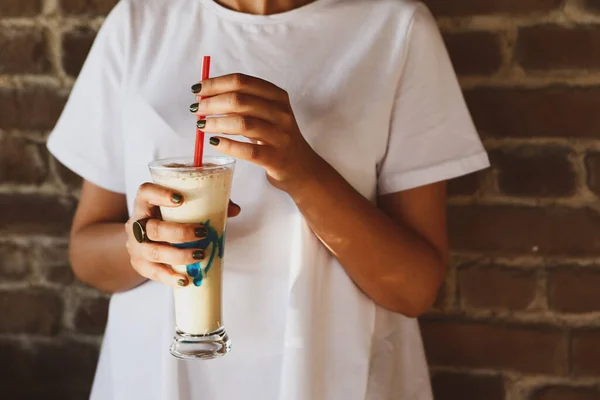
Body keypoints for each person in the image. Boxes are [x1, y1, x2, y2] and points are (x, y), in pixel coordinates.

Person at [47, 0, 489, 398]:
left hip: (333, 378)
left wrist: (302, 170)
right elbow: (85, 253)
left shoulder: (396, 28)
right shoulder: (139, 23)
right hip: (154, 379)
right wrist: (142, 245)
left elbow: (414, 289)